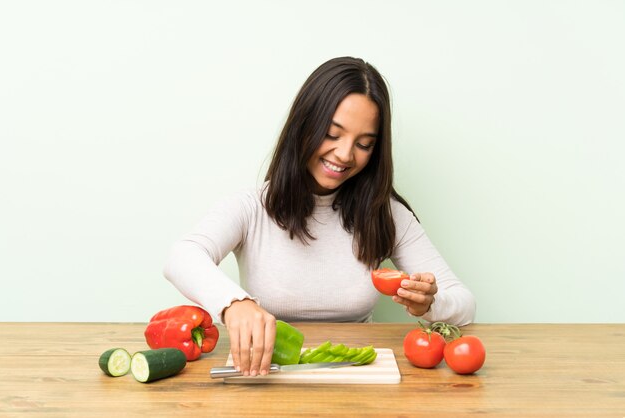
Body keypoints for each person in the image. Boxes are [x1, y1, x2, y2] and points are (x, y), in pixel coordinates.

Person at [163, 56, 475, 377]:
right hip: (267, 372)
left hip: (357, 375)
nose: (344, 154)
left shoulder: (387, 214)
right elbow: (181, 257)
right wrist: (233, 303)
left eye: (364, 144)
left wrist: (429, 304)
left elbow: (465, 303)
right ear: (304, 126)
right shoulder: (251, 206)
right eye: (331, 133)